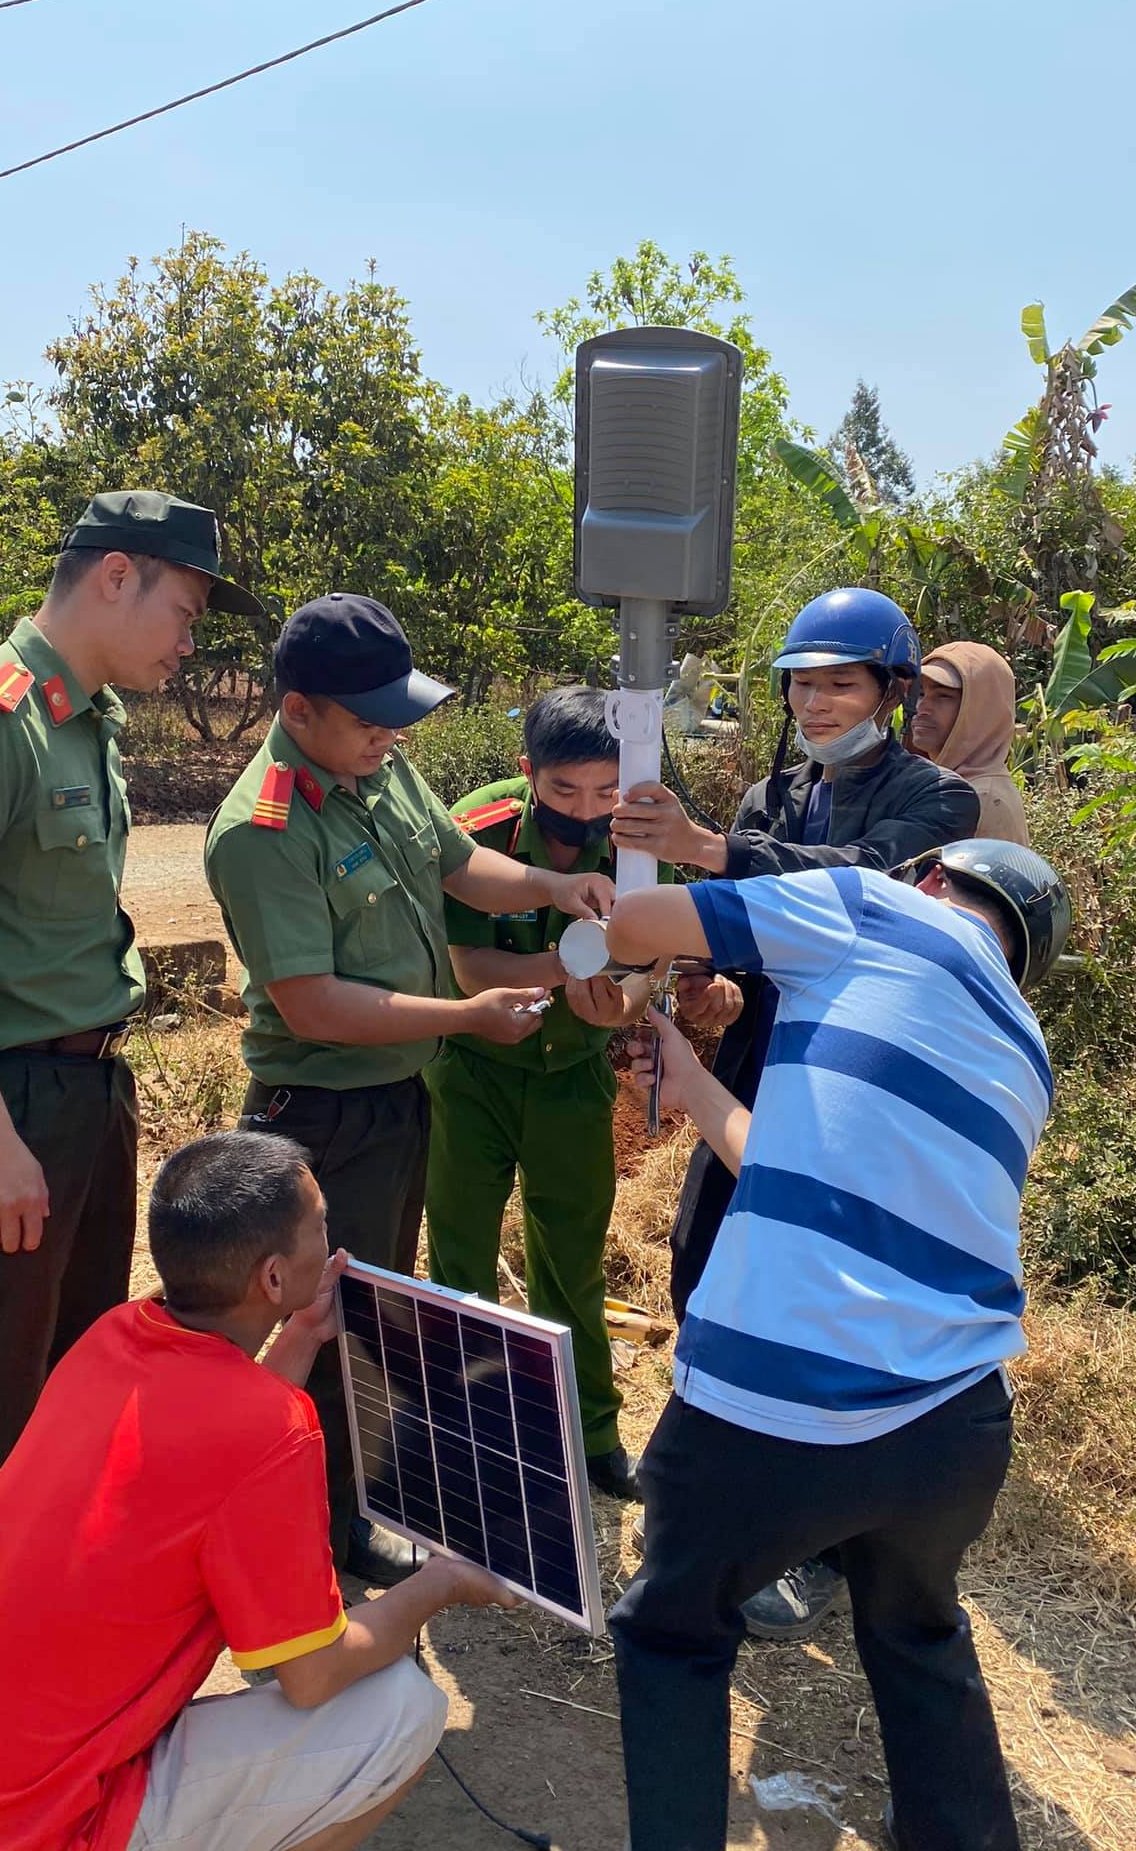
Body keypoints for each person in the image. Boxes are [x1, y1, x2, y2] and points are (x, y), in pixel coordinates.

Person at [0, 489, 261, 1725]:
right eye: (187, 610)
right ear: (117, 577)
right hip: (2, 1095)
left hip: (81, 1086)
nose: (190, 642)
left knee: (68, 1386)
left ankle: (25, 1632)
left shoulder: (79, 722)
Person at [604, 842, 1072, 1851]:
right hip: (953, 1422)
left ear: (933, 874)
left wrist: (624, 930)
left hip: (773, 1400)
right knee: (916, 1631)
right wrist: (687, 1082)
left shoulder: (874, 904)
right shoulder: (1024, 1049)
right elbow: (795, 1165)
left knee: (671, 1636)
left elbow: (636, 926)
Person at [0, 1128, 518, 1851]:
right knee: (401, 1706)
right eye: (320, 1225)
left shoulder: (114, 1337)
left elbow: (213, 1444)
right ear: (274, 1280)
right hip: (55, 1828)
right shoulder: (273, 1432)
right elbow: (312, 1675)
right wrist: (440, 1584)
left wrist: (297, 1340)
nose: (332, 1236)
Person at [205, 595, 613, 1585]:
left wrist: (551, 888)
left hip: (397, 1099)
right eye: (369, 720)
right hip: (325, 1112)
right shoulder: (263, 830)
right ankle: (289, 1527)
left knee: (363, 1321)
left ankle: (349, 1509)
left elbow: (459, 862)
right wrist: (468, 1016)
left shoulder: (373, 768)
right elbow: (314, 1005)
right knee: (313, 1319)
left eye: (396, 719)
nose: (389, 737)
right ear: (299, 710)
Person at [610, 587, 981, 1638]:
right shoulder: (776, 794)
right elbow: (732, 931)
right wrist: (701, 983)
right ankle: (716, 1478)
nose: (817, 701)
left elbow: (865, 888)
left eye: (840, 682)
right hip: (765, 1058)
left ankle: (821, 1540)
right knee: (703, 1255)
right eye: (802, 683)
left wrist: (713, 854)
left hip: (862, 1081)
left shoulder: (940, 801)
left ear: (891, 693)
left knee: (827, 1297)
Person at [424, 686, 670, 1501]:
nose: (586, 810)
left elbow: (647, 965)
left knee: (571, 1258)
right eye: (563, 791)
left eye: (604, 791)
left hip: (571, 1077)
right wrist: (571, 971)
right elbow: (472, 971)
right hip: (472, 1073)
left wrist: (620, 1005)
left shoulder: (639, 840)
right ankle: (477, 1428)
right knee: (462, 1252)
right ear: (527, 771)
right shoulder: (481, 831)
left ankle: (590, 1429)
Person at [910, 640, 1031, 844]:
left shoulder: (983, 800)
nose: (922, 708)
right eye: (921, 694)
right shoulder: (948, 787)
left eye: (943, 696)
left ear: (980, 710)